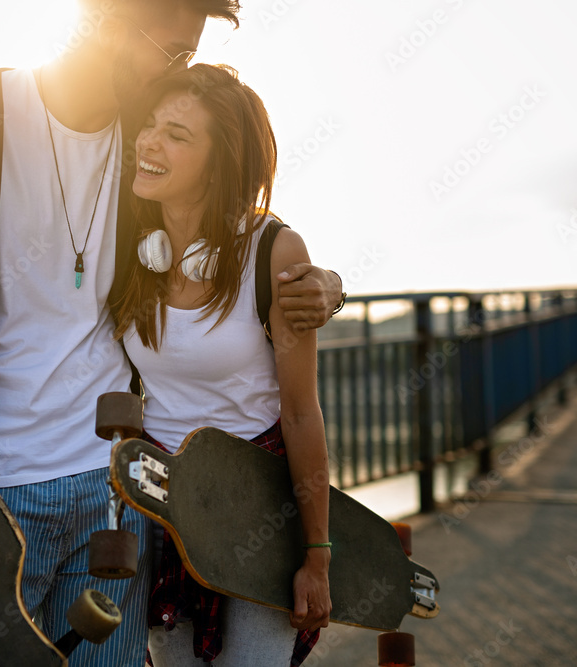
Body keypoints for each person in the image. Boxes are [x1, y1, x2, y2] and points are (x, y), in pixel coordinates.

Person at [0, 1, 344, 666]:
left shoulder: (142, 135)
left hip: (114, 499)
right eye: (170, 53)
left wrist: (323, 281)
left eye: (186, 57)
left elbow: (225, 217)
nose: (176, 72)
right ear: (104, 20)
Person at [113, 64, 332, 666]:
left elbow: (300, 412)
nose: (150, 141)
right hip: (162, 509)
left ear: (222, 160)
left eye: (178, 135)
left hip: (256, 511)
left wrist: (317, 556)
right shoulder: (134, 246)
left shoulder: (273, 251)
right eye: (151, 125)